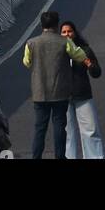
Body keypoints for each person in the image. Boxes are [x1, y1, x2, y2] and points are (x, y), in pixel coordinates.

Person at [23, 11, 92, 159]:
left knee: (40, 128)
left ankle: (36, 156)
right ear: (56, 25)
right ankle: (60, 156)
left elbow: (27, 62)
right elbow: (79, 55)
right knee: (60, 127)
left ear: (42, 25)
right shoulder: (64, 42)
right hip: (60, 92)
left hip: (39, 92)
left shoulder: (31, 43)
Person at [60, 21, 105, 159]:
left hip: (83, 96)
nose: (67, 34)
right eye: (64, 32)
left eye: (69, 31)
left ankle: (94, 156)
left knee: (90, 130)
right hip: (63, 97)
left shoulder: (85, 50)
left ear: (75, 32)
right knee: (67, 133)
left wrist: (89, 63)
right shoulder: (57, 51)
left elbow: (97, 72)